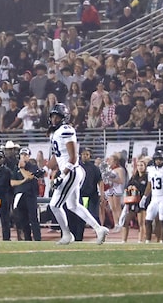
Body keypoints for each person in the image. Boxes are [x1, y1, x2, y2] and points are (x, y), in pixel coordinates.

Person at [45, 102, 109, 244]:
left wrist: (62, 175)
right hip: (70, 171)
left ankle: (67, 234)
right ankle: (99, 229)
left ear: (63, 118)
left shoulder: (66, 130)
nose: (54, 119)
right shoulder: (55, 133)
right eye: (53, 116)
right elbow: (57, 155)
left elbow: (73, 157)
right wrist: (44, 169)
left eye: (57, 117)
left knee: (54, 205)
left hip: (71, 171)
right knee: (73, 206)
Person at [144, 152, 163, 242]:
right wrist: (144, 197)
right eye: (157, 159)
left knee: (162, 219)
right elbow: (149, 185)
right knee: (148, 219)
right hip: (154, 198)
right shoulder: (151, 170)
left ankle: (161, 240)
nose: (158, 161)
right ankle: (147, 240)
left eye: (160, 159)